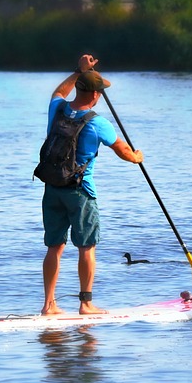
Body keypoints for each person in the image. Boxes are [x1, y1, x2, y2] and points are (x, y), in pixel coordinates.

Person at [41, 54, 143, 315]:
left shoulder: (58, 110)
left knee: (55, 247)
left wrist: (79, 70)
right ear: (96, 95)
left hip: (52, 189)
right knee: (86, 247)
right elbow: (122, 150)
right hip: (80, 193)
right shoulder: (98, 122)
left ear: (78, 88)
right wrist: (136, 157)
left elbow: (57, 91)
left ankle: (49, 304)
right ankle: (86, 304)